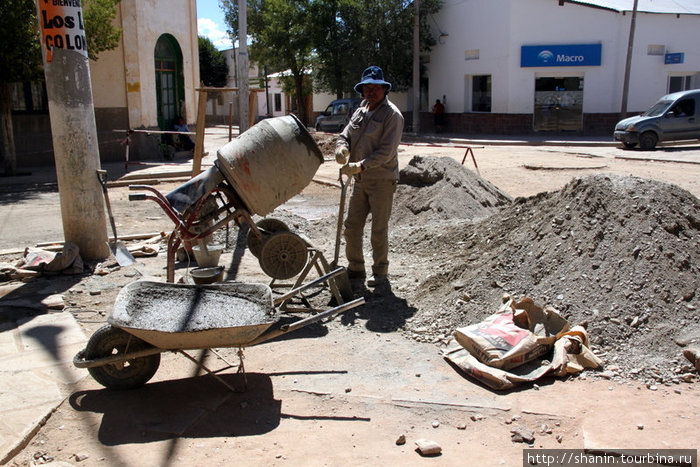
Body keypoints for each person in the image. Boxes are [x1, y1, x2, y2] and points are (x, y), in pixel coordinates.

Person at [334, 66, 404, 289]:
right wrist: (342, 148)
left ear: (384, 89)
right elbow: (346, 133)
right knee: (352, 225)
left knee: (378, 229)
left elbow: (387, 152)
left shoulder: (392, 115)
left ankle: (380, 272)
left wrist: (360, 165)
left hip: (382, 179)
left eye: (375, 87)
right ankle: (355, 267)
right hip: (360, 180)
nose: (371, 91)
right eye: (367, 87)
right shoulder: (360, 110)